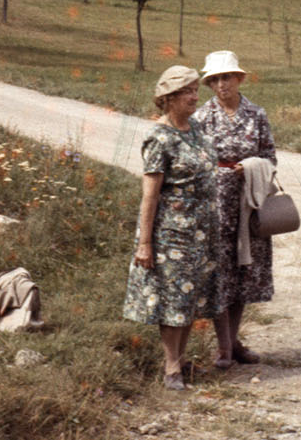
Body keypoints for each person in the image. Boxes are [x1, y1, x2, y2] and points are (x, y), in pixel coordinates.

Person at [122, 65, 219, 390]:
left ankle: (182, 358)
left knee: (189, 298)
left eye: (195, 90)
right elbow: (149, 196)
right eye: (187, 92)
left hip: (200, 233)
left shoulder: (195, 130)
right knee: (172, 300)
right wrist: (144, 243)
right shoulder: (158, 138)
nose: (195, 96)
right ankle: (171, 367)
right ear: (168, 98)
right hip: (171, 234)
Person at [193, 50, 276, 369]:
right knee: (219, 274)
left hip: (247, 205)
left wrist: (251, 167)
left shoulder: (257, 114)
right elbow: (194, 161)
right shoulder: (203, 117)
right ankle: (224, 347)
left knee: (243, 273)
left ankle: (234, 341)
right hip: (215, 206)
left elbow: (270, 157)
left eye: (227, 77)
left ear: (239, 78)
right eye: (215, 80)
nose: (221, 84)